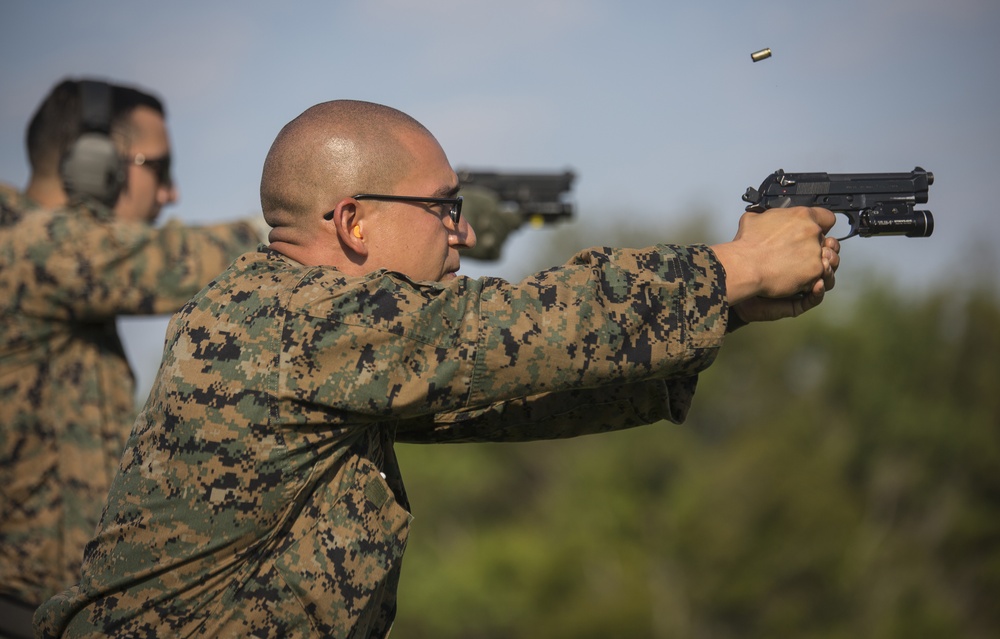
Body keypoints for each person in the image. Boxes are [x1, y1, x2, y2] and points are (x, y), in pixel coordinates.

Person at [35, 99, 840, 638]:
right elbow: (512, 328)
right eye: (443, 208)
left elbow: (512, 392)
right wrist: (731, 268)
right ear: (352, 221)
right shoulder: (288, 319)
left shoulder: (316, 334)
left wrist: (726, 310)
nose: (460, 234)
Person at [0, 77, 267, 638]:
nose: (169, 194)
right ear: (98, 163)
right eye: (159, 169)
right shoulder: (33, 249)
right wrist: (328, 225)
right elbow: (184, 260)